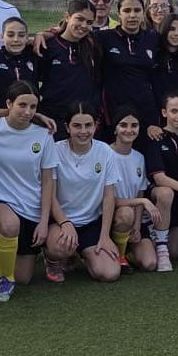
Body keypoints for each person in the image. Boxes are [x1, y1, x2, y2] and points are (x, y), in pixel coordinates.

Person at [0, 81, 58, 297]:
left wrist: (43, 221)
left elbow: (48, 181)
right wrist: (2, 112)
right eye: (22, 105)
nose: (28, 112)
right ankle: (5, 280)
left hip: (31, 209)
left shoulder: (43, 135)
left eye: (33, 107)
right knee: (11, 225)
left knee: (24, 277)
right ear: (8, 103)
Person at [45, 101, 121, 283]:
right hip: (61, 221)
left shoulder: (105, 151)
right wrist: (65, 222)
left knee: (109, 273)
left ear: (96, 125)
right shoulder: (55, 150)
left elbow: (109, 196)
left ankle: (84, 254)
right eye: (77, 126)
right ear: (67, 127)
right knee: (60, 247)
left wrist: (104, 236)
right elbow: (50, 195)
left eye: (88, 125)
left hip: (90, 223)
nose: (83, 131)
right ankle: (53, 259)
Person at [145, 91, 178, 269]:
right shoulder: (156, 137)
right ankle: (158, 243)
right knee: (166, 192)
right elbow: (159, 179)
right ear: (164, 113)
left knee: (175, 252)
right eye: (174, 111)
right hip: (160, 196)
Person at [107, 108, 159, 271]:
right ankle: (120, 256)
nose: (129, 130)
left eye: (134, 125)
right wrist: (141, 201)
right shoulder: (104, 153)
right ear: (115, 128)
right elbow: (107, 199)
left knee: (150, 263)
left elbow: (139, 192)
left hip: (132, 219)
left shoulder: (139, 157)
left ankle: (127, 252)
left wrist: (136, 225)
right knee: (126, 213)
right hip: (110, 217)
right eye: (123, 125)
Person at [99, 0, 162, 128]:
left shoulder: (153, 38)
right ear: (119, 13)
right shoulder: (104, 38)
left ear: (143, 12)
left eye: (137, 10)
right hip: (115, 112)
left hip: (146, 110)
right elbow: (74, 32)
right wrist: (45, 34)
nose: (132, 15)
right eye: (127, 10)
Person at [37, 0, 102, 126]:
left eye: (89, 22)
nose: (84, 25)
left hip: (84, 122)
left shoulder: (95, 45)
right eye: (79, 19)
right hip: (54, 120)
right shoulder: (47, 46)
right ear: (67, 17)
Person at [0, 17, 39, 107]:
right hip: (1, 114)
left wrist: (42, 34)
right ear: (2, 37)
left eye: (21, 35)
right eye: (10, 35)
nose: (16, 39)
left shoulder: (34, 55)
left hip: (29, 114)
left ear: (27, 37)